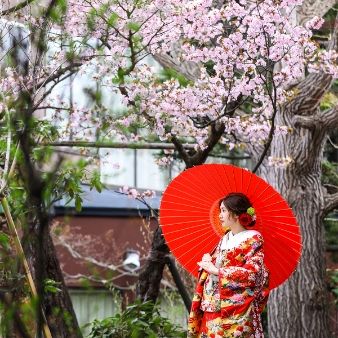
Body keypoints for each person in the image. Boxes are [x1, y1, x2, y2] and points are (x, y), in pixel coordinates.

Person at [187, 193, 269, 338]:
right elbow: (215, 268)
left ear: (237, 214)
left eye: (224, 210)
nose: (220, 215)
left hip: (236, 311)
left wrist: (218, 271)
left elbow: (252, 274)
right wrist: (208, 262)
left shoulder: (253, 239)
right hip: (210, 306)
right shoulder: (225, 238)